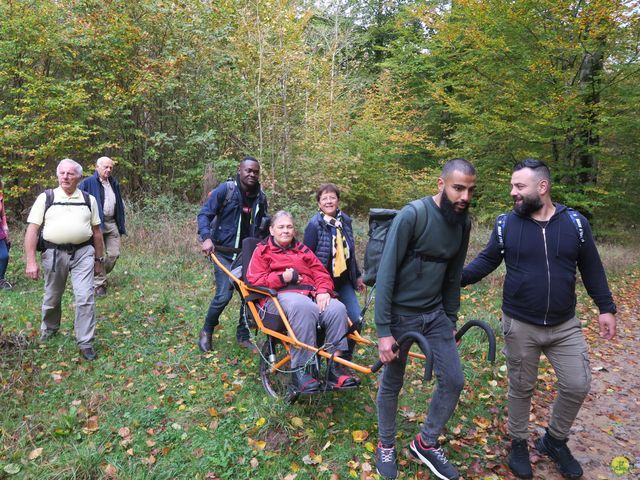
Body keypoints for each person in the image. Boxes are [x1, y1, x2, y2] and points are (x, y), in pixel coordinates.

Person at [461, 158, 617, 479]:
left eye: (519, 186)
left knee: (578, 383)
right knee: (521, 386)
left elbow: (591, 268)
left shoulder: (575, 223)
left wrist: (606, 307)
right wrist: (454, 278)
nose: (513, 192)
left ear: (542, 187)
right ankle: (518, 441)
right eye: (512, 186)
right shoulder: (507, 224)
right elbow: (486, 260)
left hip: (564, 325)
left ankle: (554, 441)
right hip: (520, 323)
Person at [374, 158, 476, 480]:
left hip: (434, 317)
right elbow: (386, 274)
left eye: (470, 190)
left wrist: (450, 319)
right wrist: (383, 331)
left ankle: (426, 442)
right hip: (400, 317)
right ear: (441, 184)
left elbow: (453, 276)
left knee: (454, 380)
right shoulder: (412, 216)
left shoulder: (463, 224)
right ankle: (385, 445)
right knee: (393, 381)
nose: (464, 197)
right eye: (458, 188)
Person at [246, 210, 357, 392]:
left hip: (310, 294)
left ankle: (334, 369)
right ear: (272, 230)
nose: (285, 231)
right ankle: (301, 371)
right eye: (281, 227)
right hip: (276, 298)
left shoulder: (302, 250)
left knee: (337, 308)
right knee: (303, 307)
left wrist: (323, 290)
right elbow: (254, 280)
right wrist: (283, 277)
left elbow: (321, 273)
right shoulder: (262, 251)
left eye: (289, 227)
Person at [24, 159, 104, 361]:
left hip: (83, 253)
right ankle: (49, 331)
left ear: (79, 177)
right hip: (53, 253)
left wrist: (99, 260)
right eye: (62, 173)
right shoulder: (46, 197)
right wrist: (30, 261)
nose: (65, 177)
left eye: (70, 174)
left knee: (85, 297)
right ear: (57, 175)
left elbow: (97, 232)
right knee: (52, 296)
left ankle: (85, 342)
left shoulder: (89, 199)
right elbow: (32, 230)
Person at [197, 156, 269, 352]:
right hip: (223, 252)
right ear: (240, 170)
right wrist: (206, 238)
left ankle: (243, 336)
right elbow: (204, 214)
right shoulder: (226, 190)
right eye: (248, 170)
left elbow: (263, 226)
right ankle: (206, 331)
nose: (252, 174)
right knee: (223, 295)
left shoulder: (260, 197)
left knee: (250, 295)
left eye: (255, 171)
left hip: (247, 255)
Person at [303, 183, 365, 361]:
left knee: (356, 320)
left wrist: (357, 276)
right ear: (319, 203)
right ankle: (317, 358)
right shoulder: (314, 225)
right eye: (325, 198)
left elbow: (350, 253)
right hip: (322, 284)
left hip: (343, 281)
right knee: (324, 323)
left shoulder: (345, 221)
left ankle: (343, 362)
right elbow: (306, 259)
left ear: (338, 200)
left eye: (332, 197)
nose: (329, 201)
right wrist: (315, 288)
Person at [79, 156, 126, 297]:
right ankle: (99, 284)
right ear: (97, 167)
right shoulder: (87, 183)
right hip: (95, 224)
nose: (108, 170)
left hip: (112, 223)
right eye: (105, 167)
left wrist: (121, 222)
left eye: (111, 167)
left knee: (114, 254)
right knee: (97, 255)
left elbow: (118, 204)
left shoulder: (113, 182)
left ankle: (95, 274)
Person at [0, 177, 11, 289]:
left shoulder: (0, 196)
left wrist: (5, 227)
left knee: (4, 255)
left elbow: (2, 214)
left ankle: (1, 280)